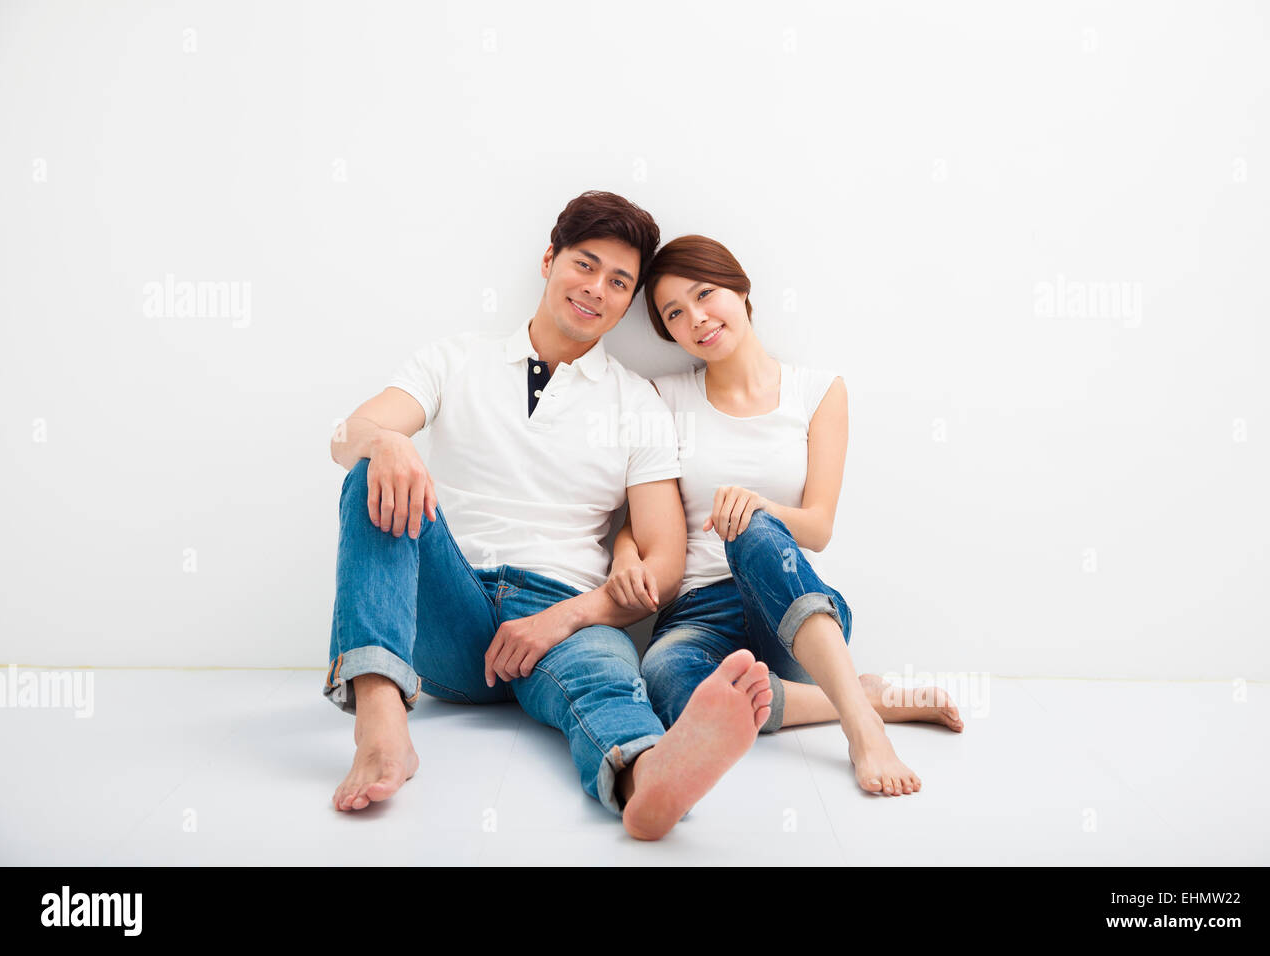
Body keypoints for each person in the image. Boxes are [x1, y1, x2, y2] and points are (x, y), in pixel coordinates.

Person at [324, 194, 774, 840]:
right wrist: (383, 441)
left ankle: (646, 777)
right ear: (548, 261)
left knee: (605, 679)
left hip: (563, 618)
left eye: (619, 282)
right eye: (585, 266)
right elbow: (345, 435)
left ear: (628, 302)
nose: (597, 290)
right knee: (372, 472)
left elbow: (664, 563)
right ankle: (381, 724)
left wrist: (564, 617)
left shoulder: (636, 402)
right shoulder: (457, 359)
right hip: (451, 612)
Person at [605, 235, 964, 798]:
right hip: (695, 615)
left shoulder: (817, 391)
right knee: (665, 682)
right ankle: (859, 694)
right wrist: (626, 555)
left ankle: (862, 727)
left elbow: (818, 526)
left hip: (791, 607)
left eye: (706, 295)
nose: (696, 318)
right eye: (675, 313)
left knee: (750, 526)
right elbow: (641, 520)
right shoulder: (664, 397)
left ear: (741, 290)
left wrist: (759, 509)